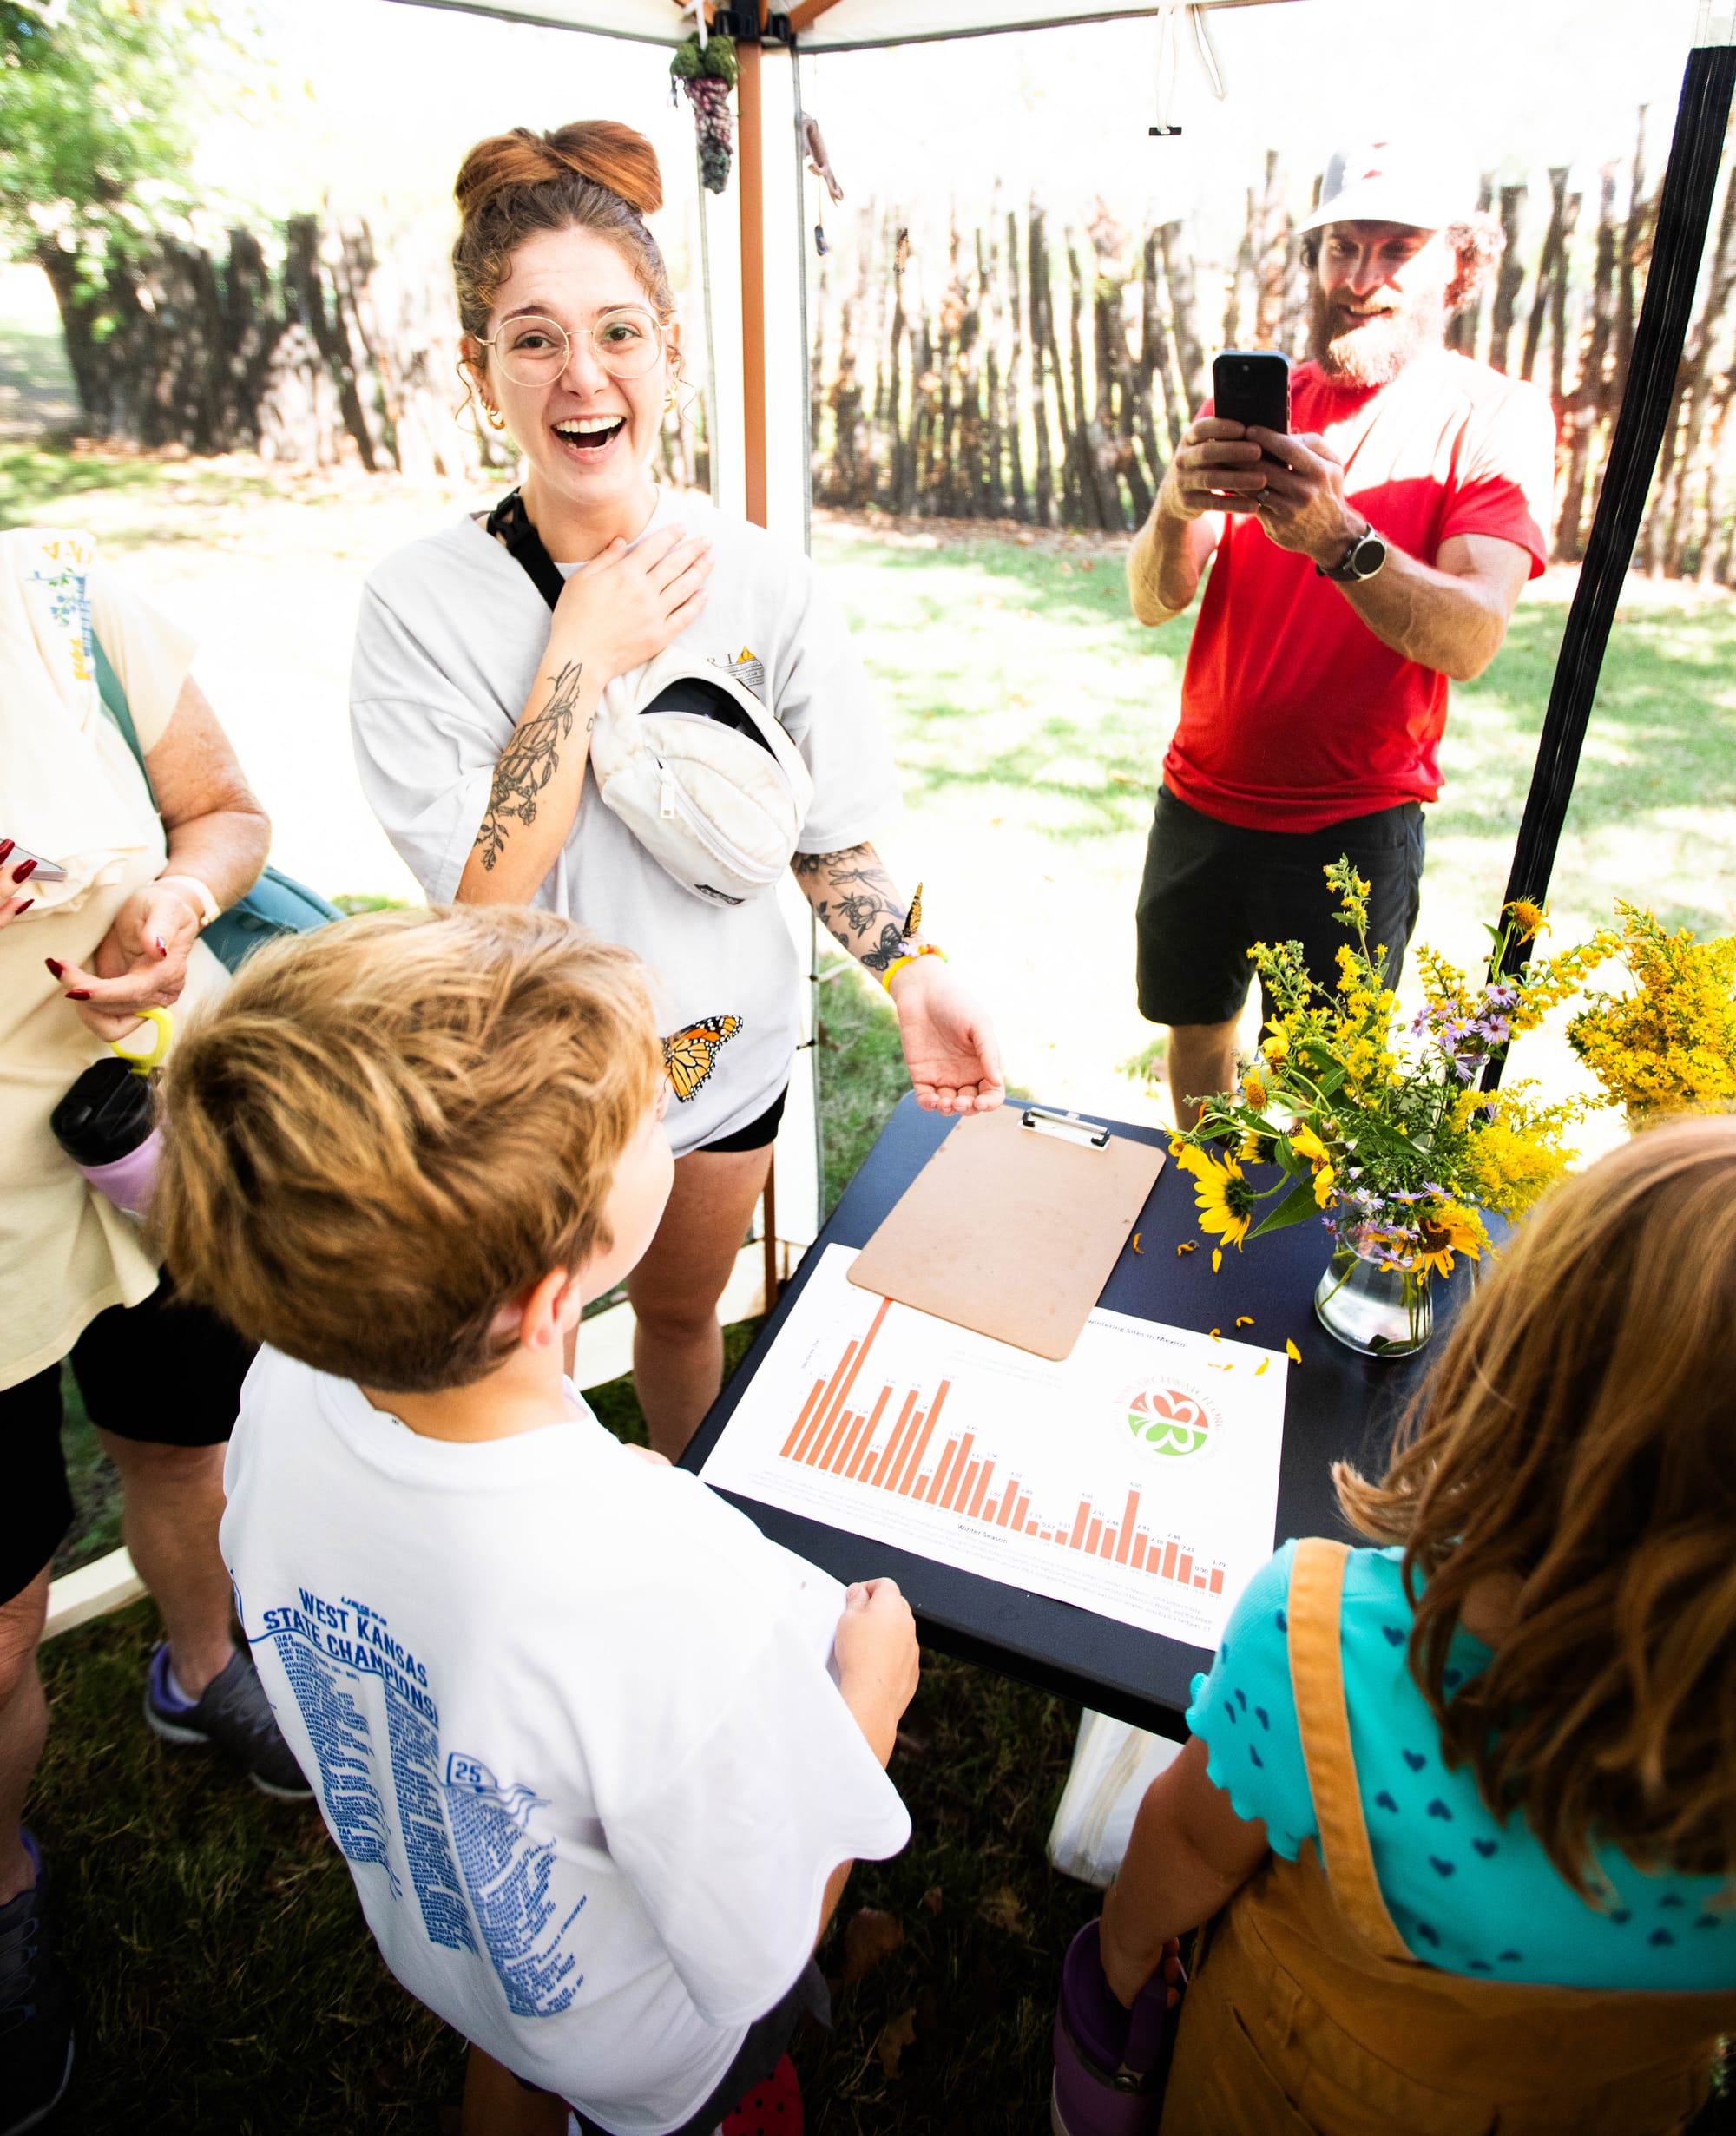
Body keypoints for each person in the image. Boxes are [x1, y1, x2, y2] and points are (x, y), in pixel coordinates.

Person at [153, 904, 920, 2136]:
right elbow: (761, 1940)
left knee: (512, 2047)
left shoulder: (284, 1393)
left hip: (458, 1944)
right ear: (551, 1294)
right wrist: (869, 1705)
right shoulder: (666, 1578)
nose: (667, 1113)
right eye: (648, 1116)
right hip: (654, 2053)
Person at [350, 121, 1003, 1458]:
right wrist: (578, 657)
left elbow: (829, 840)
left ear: (670, 353)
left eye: (618, 332)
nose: (582, 376)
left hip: (728, 1049)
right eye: (533, 339)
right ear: (482, 374)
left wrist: (915, 966)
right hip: (534, 1079)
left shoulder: (764, 581)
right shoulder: (419, 605)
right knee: (508, 1355)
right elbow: (481, 901)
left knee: (683, 1311)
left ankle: (684, 1504)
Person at [1095, 1116, 1736, 2135]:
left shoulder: (1318, 1643)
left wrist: (1121, 1953)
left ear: (1512, 1374)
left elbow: (1188, 1844)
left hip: (1274, 2086)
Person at [0, 529, 308, 2136]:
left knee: (187, 1444)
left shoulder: (62, 596)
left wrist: (181, 897)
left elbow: (229, 812)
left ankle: (203, 1669)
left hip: (143, 1140)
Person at [1127, 142, 1556, 1127]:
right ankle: (1207, 1189)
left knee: (1321, 1085)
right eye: (1339, 250)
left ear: (1457, 262)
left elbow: (1471, 639)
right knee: (1195, 1027)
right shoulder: (1263, 405)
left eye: (1394, 250)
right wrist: (1168, 504)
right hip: (1197, 795)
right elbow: (1155, 599)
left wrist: (1340, 539)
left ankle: (1294, 1255)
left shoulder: (1492, 418)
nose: (1360, 282)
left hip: (1349, 825)